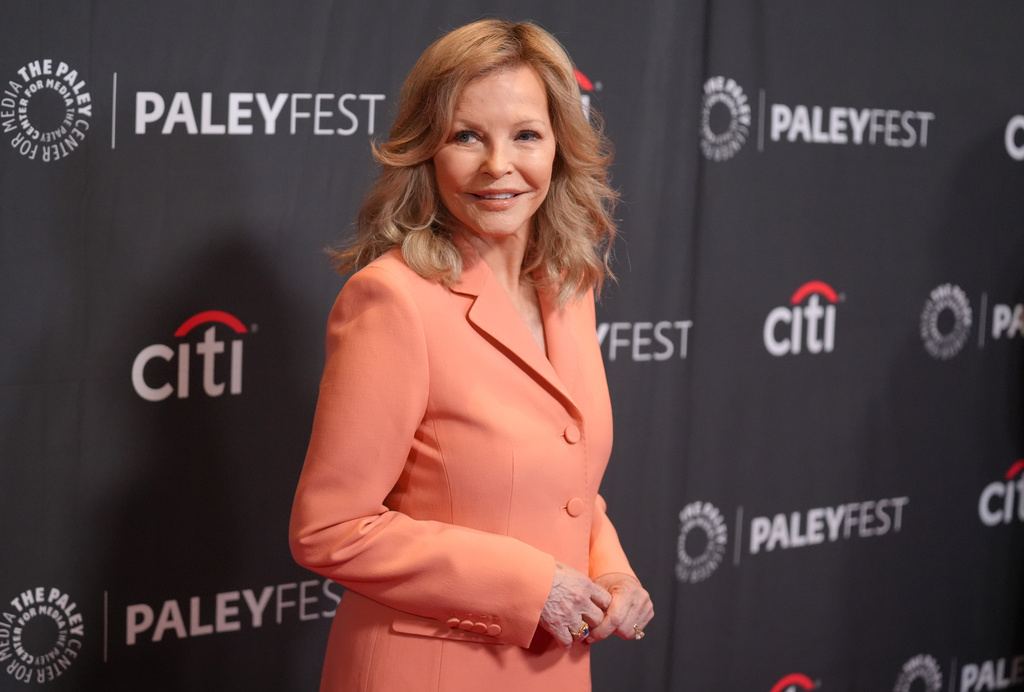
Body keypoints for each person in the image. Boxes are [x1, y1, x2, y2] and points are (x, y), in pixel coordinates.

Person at [289, 18, 653, 692]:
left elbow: (568, 488)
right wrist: (531, 585)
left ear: (559, 148)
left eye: (525, 135)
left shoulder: (570, 290)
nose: (498, 166)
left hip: (555, 668)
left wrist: (612, 568)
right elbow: (330, 528)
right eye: (465, 137)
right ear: (426, 152)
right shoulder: (391, 300)